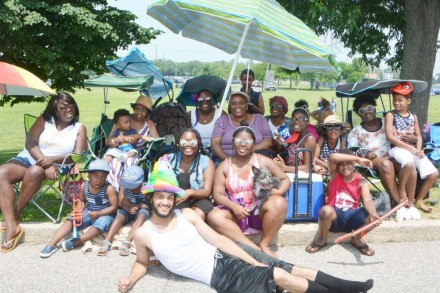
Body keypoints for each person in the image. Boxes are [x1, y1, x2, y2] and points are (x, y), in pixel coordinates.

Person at [118, 156, 374, 293]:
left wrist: (252, 259)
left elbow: (218, 239)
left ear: (174, 199)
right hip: (217, 273)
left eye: (168, 197)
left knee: (286, 266)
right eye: (159, 197)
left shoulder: (187, 216)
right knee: (277, 275)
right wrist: (130, 280)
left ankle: (353, 287)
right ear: (150, 200)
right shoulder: (143, 234)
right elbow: (142, 262)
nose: (164, 202)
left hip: (224, 253)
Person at [0, 92, 87, 253]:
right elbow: (31, 143)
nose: (69, 109)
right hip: (29, 159)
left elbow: (77, 155)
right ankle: (12, 224)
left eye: (71, 106)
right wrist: (45, 163)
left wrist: (51, 161)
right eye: (63, 107)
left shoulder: (79, 128)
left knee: (34, 171)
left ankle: (15, 215)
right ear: (55, 111)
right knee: (1, 174)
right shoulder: (44, 121)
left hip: (59, 166)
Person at [208, 127, 290, 257]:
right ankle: (252, 248)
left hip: (260, 211)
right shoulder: (224, 166)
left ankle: (264, 244)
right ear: (233, 143)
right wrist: (234, 207)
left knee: (279, 202)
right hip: (238, 214)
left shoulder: (263, 161)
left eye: (247, 141)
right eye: (239, 140)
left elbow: (284, 179)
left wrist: (276, 192)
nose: (243, 144)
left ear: (253, 144)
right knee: (214, 216)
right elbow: (217, 194)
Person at [347, 93, 410, 221]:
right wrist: (364, 154)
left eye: (370, 108)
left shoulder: (386, 122)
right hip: (372, 161)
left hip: (390, 155)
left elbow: (400, 134)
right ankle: (399, 205)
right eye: (362, 110)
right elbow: (351, 151)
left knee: (407, 163)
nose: (367, 112)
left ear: (375, 108)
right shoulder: (356, 132)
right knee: (386, 164)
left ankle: (409, 200)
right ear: (358, 114)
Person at [305, 151, 380, 256]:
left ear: (354, 165)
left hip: (353, 218)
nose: (345, 167)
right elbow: (332, 157)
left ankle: (357, 238)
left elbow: (367, 200)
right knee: (325, 210)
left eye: (349, 163)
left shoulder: (361, 180)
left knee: (374, 217)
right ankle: (322, 239)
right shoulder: (334, 175)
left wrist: (373, 214)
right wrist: (358, 159)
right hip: (335, 218)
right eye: (341, 164)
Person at [39, 159, 117, 258]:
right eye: (95, 177)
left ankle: (78, 241)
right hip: (89, 211)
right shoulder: (84, 186)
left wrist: (99, 214)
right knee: (71, 219)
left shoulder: (108, 188)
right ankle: (51, 244)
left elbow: (114, 206)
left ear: (106, 177)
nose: (99, 180)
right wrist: (78, 209)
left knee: (102, 223)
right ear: (89, 176)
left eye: (102, 177)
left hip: (105, 213)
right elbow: (82, 201)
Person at [385, 81, 439, 215]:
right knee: (409, 163)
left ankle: (419, 199)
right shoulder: (391, 115)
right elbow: (390, 137)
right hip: (397, 148)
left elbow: (419, 136)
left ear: (408, 101)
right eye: (394, 100)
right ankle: (402, 189)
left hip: (412, 149)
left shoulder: (413, 116)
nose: (396, 103)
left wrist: (419, 149)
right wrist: (412, 150)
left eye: (400, 100)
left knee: (433, 174)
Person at [106, 95, 159, 191]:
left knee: (128, 161)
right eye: (137, 109)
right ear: (133, 109)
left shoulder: (149, 123)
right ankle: (113, 188)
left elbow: (157, 140)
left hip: (133, 153)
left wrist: (139, 136)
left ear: (147, 112)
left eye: (143, 110)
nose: (139, 112)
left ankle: (125, 188)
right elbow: (108, 141)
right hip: (117, 150)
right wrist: (115, 140)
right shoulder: (123, 120)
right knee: (114, 162)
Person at [97, 166, 150, 257]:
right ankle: (107, 240)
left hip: (141, 212)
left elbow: (149, 206)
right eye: (128, 187)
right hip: (127, 209)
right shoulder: (124, 186)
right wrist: (129, 208)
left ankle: (127, 241)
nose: (130, 189)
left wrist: (136, 206)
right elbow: (121, 202)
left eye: (133, 187)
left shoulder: (147, 189)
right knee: (120, 215)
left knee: (142, 214)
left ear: (141, 182)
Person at [211, 91, 273, 163]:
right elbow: (215, 143)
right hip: (226, 159)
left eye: (241, 103)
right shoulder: (222, 120)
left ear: (246, 106)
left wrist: (249, 149)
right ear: (230, 106)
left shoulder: (260, 119)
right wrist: (228, 160)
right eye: (233, 103)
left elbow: (269, 141)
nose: (237, 106)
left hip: (254, 160)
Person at [168, 129, 215, 221]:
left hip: (199, 198)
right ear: (178, 143)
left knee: (198, 214)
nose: (188, 145)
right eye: (184, 142)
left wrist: (190, 192)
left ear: (198, 143)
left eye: (192, 142)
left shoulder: (207, 162)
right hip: (175, 198)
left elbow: (206, 191)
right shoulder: (169, 159)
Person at [274, 107, 317, 173]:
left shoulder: (309, 139)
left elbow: (307, 168)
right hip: (288, 174)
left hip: (299, 179)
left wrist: (284, 168)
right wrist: (278, 144)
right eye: (294, 119)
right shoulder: (294, 135)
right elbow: (286, 153)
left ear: (307, 122)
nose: (296, 122)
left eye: (300, 119)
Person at [187, 89, 226, 153]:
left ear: (212, 100)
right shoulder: (190, 115)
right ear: (197, 101)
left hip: (217, 150)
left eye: (208, 99)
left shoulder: (220, 113)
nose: (204, 102)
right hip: (196, 150)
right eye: (201, 100)